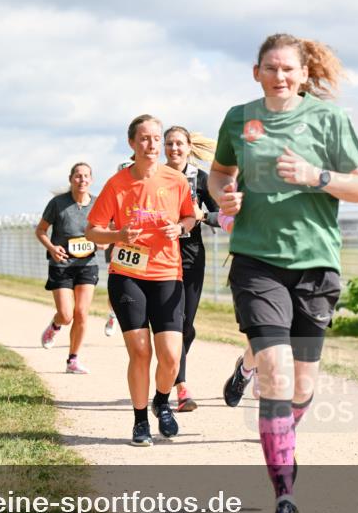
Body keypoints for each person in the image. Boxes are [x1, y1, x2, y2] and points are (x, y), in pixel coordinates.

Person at [209, 33, 358, 513]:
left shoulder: (330, 120)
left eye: (288, 69)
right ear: (256, 71)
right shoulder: (239, 118)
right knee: (275, 374)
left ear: (304, 75)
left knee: (302, 386)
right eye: (271, 68)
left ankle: (284, 437)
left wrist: (315, 176)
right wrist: (224, 198)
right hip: (257, 259)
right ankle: (284, 493)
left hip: (315, 264)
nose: (280, 76)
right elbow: (219, 173)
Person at [86, 115, 196, 447]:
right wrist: (119, 233)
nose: (152, 145)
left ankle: (161, 401)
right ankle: (139, 421)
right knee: (140, 351)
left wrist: (181, 228)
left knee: (171, 357)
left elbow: (189, 215)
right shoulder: (117, 184)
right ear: (132, 144)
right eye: (144, 139)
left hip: (166, 274)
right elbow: (92, 230)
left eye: (156, 138)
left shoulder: (175, 180)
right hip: (127, 275)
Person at [164, 127, 220, 412]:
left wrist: (203, 215)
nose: (174, 149)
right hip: (160, 256)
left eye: (179, 144)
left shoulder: (201, 178)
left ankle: (175, 360)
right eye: (169, 144)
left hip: (191, 255)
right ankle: (181, 388)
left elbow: (221, 216)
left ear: (188, 148)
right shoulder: (154, 175)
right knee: (173, 323)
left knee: (185, 325)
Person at [36, 162, 102, 374]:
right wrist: (53, 248)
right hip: (62, 264)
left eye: (86, 176)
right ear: (70, 179)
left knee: (82, 313)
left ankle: (73, 359)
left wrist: (105, 243)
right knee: (66, 315)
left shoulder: (98, 204)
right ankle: (55, 326)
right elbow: (41, 231)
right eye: (78, 176)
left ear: (91, 180)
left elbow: (108, 231)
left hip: (87, 265)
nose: (82, 180)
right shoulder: (57, 203)